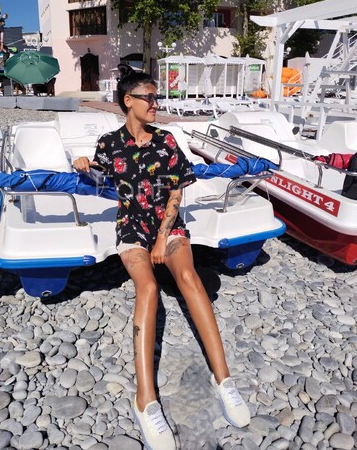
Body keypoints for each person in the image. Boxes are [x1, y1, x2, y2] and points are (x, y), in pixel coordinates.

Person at [73, 64, 250, 450]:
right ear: (128, 101)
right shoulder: (109, 143)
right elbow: (100, 173)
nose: (156, 104)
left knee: (189, 278)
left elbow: (176, 193)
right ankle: (146, 400)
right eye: (149, 98)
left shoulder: (166, 141)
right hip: (130, 228)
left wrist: (162, 238)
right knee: (148, 289)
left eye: (157, 98)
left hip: (167, 227)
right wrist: (83, 164)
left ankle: (224, 380)